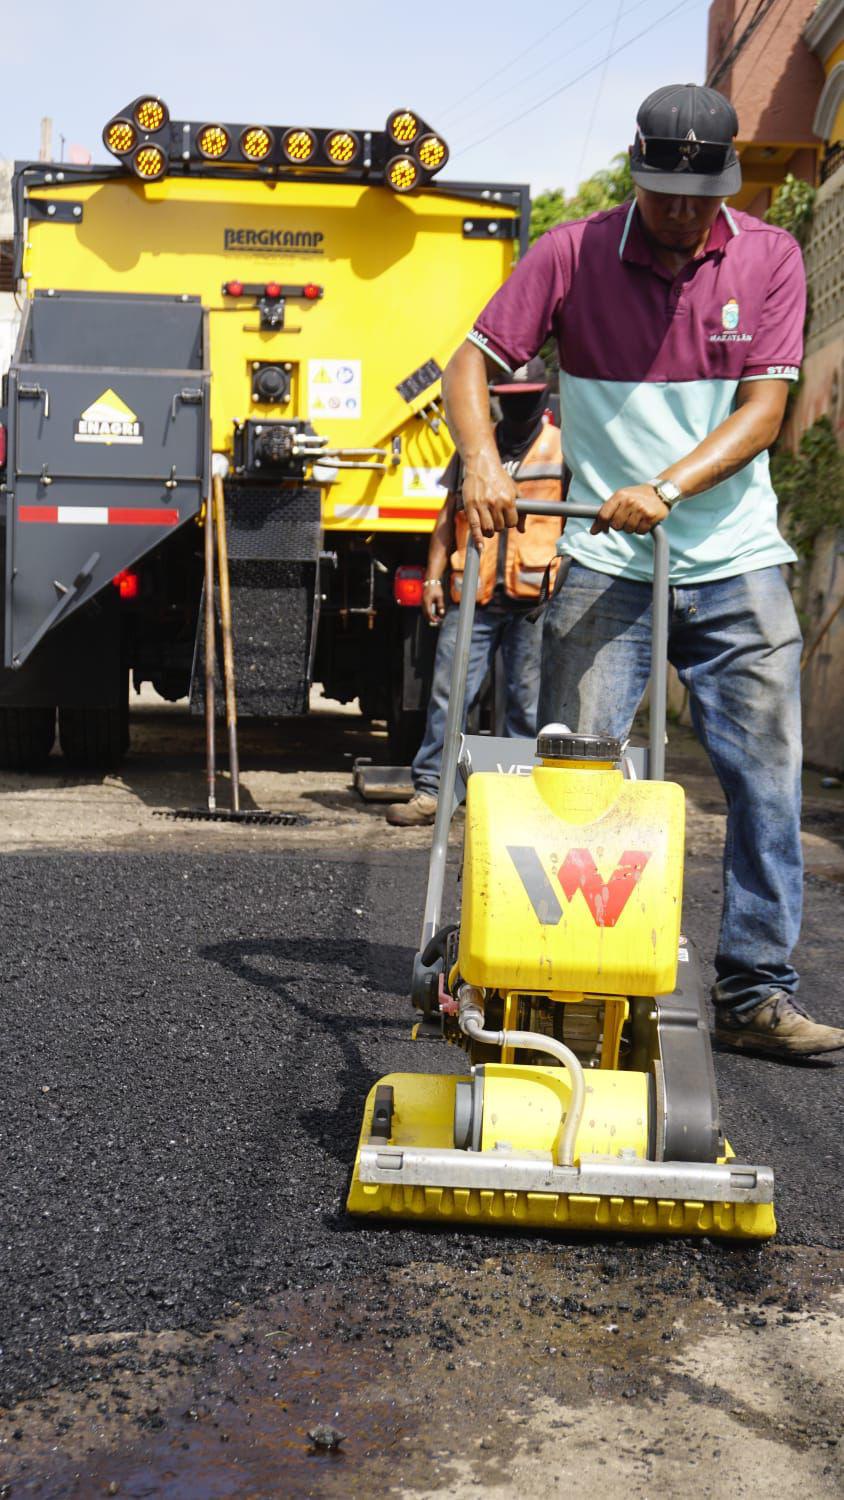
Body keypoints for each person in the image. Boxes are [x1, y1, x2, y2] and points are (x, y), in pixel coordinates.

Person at [439, 82, 844, 1059]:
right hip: (603, 558)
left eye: (702, 196)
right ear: (639, 173)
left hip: (735, 559)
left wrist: (665, 486)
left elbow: (762, 414)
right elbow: (467, 362)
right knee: (576, 772)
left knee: (765, 783)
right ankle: (562, 977)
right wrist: (485, 462)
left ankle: (752, 992)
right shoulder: (569, 253)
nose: (684, 214)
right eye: (667, 195)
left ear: (725, 184)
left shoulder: (769, 255)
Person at [386, 360, 563, 826]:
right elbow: (448, 518)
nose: (518, 404)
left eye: (527, 395)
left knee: (525, 703)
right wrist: (431, 578)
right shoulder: (475, 449)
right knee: (449, 695)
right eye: (510, 395)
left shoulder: (563, 450)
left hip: (533, 599)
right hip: (473, 602)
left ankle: (518, 800)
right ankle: (432, 791)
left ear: (543, 397)